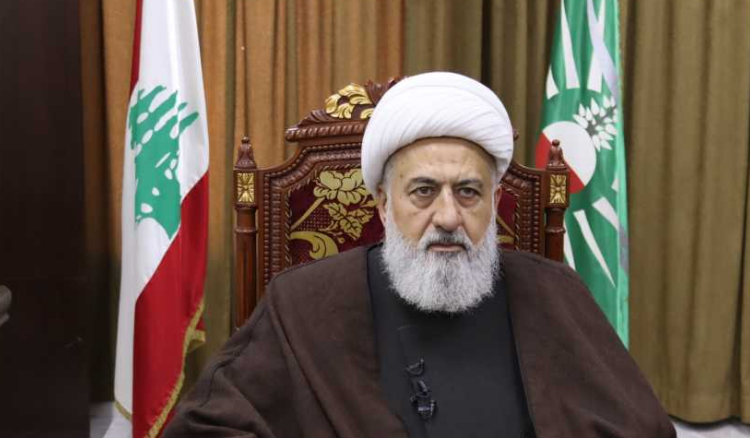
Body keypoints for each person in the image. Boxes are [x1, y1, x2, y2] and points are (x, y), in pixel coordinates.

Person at [163, 72, 675, 438]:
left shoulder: (554, 293)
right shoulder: (304, 305)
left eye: (469, 192)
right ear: (384, 205)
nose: (448, 216)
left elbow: (643, 426)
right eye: (424, 191)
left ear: (496, 201)